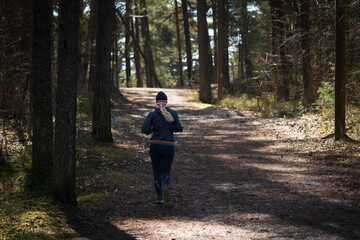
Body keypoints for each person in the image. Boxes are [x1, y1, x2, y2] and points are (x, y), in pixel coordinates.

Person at [141, 91, 183, 204]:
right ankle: (165, 185)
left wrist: (152, 130)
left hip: (155, 145)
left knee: (156, 171)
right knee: (166, 170)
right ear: (166, 102)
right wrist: (171, 129)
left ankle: (159, 197)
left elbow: (144, 129)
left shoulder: (152, 114)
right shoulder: (173, 113)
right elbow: (179, 128)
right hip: (168, 146)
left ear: (156, 102)